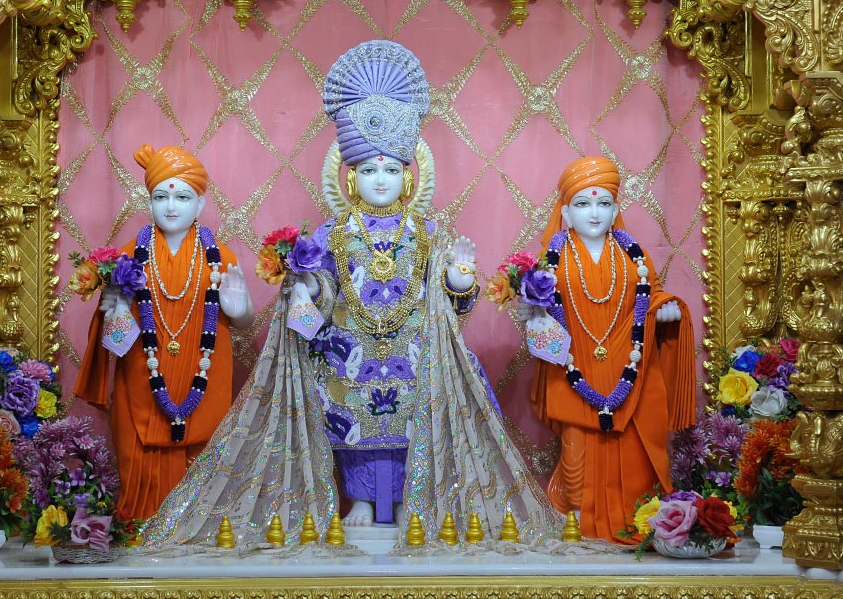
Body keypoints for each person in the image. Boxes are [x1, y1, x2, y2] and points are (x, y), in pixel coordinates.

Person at [139, 41, 560, 551]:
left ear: (408, 176)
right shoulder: (332, 233)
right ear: (351, 177)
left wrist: (458, 278)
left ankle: (406, 500)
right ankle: (358, 498)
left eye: (390, 170)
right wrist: (307, 283)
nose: (380, 180)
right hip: (349, 345)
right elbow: (322, 286)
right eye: (369, 170)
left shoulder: (429, 233)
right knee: (351, 419)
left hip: (413, 345)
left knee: (411, 419)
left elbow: (454, 308)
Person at [74, 144, 254, 520]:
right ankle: (139, 523)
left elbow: (243, 321)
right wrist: (112, 313)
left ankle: (192, 528)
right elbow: (115, 343)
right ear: (149, 202)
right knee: (137, 470)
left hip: (203, 383)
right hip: (141, 383)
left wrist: (240, 312)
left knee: (203, 463)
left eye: (182, 197)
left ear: (200, 204)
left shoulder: (221, 259)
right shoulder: (126, 259)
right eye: (161, 197)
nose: (171, 206)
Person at [527, 156, 696, 543]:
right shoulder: (552, 260)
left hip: (628, 372)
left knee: (635, 452)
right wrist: (529, 308)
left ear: (616, 209)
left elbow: (650, 295)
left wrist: (665, 309)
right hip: (574, 372)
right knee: (576, 458)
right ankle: (577, 523)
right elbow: (538, 307)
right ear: (565, 212)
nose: (594, 213)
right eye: (583, 204)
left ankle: (637, 519)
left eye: (603, 203)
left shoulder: (635, 258)